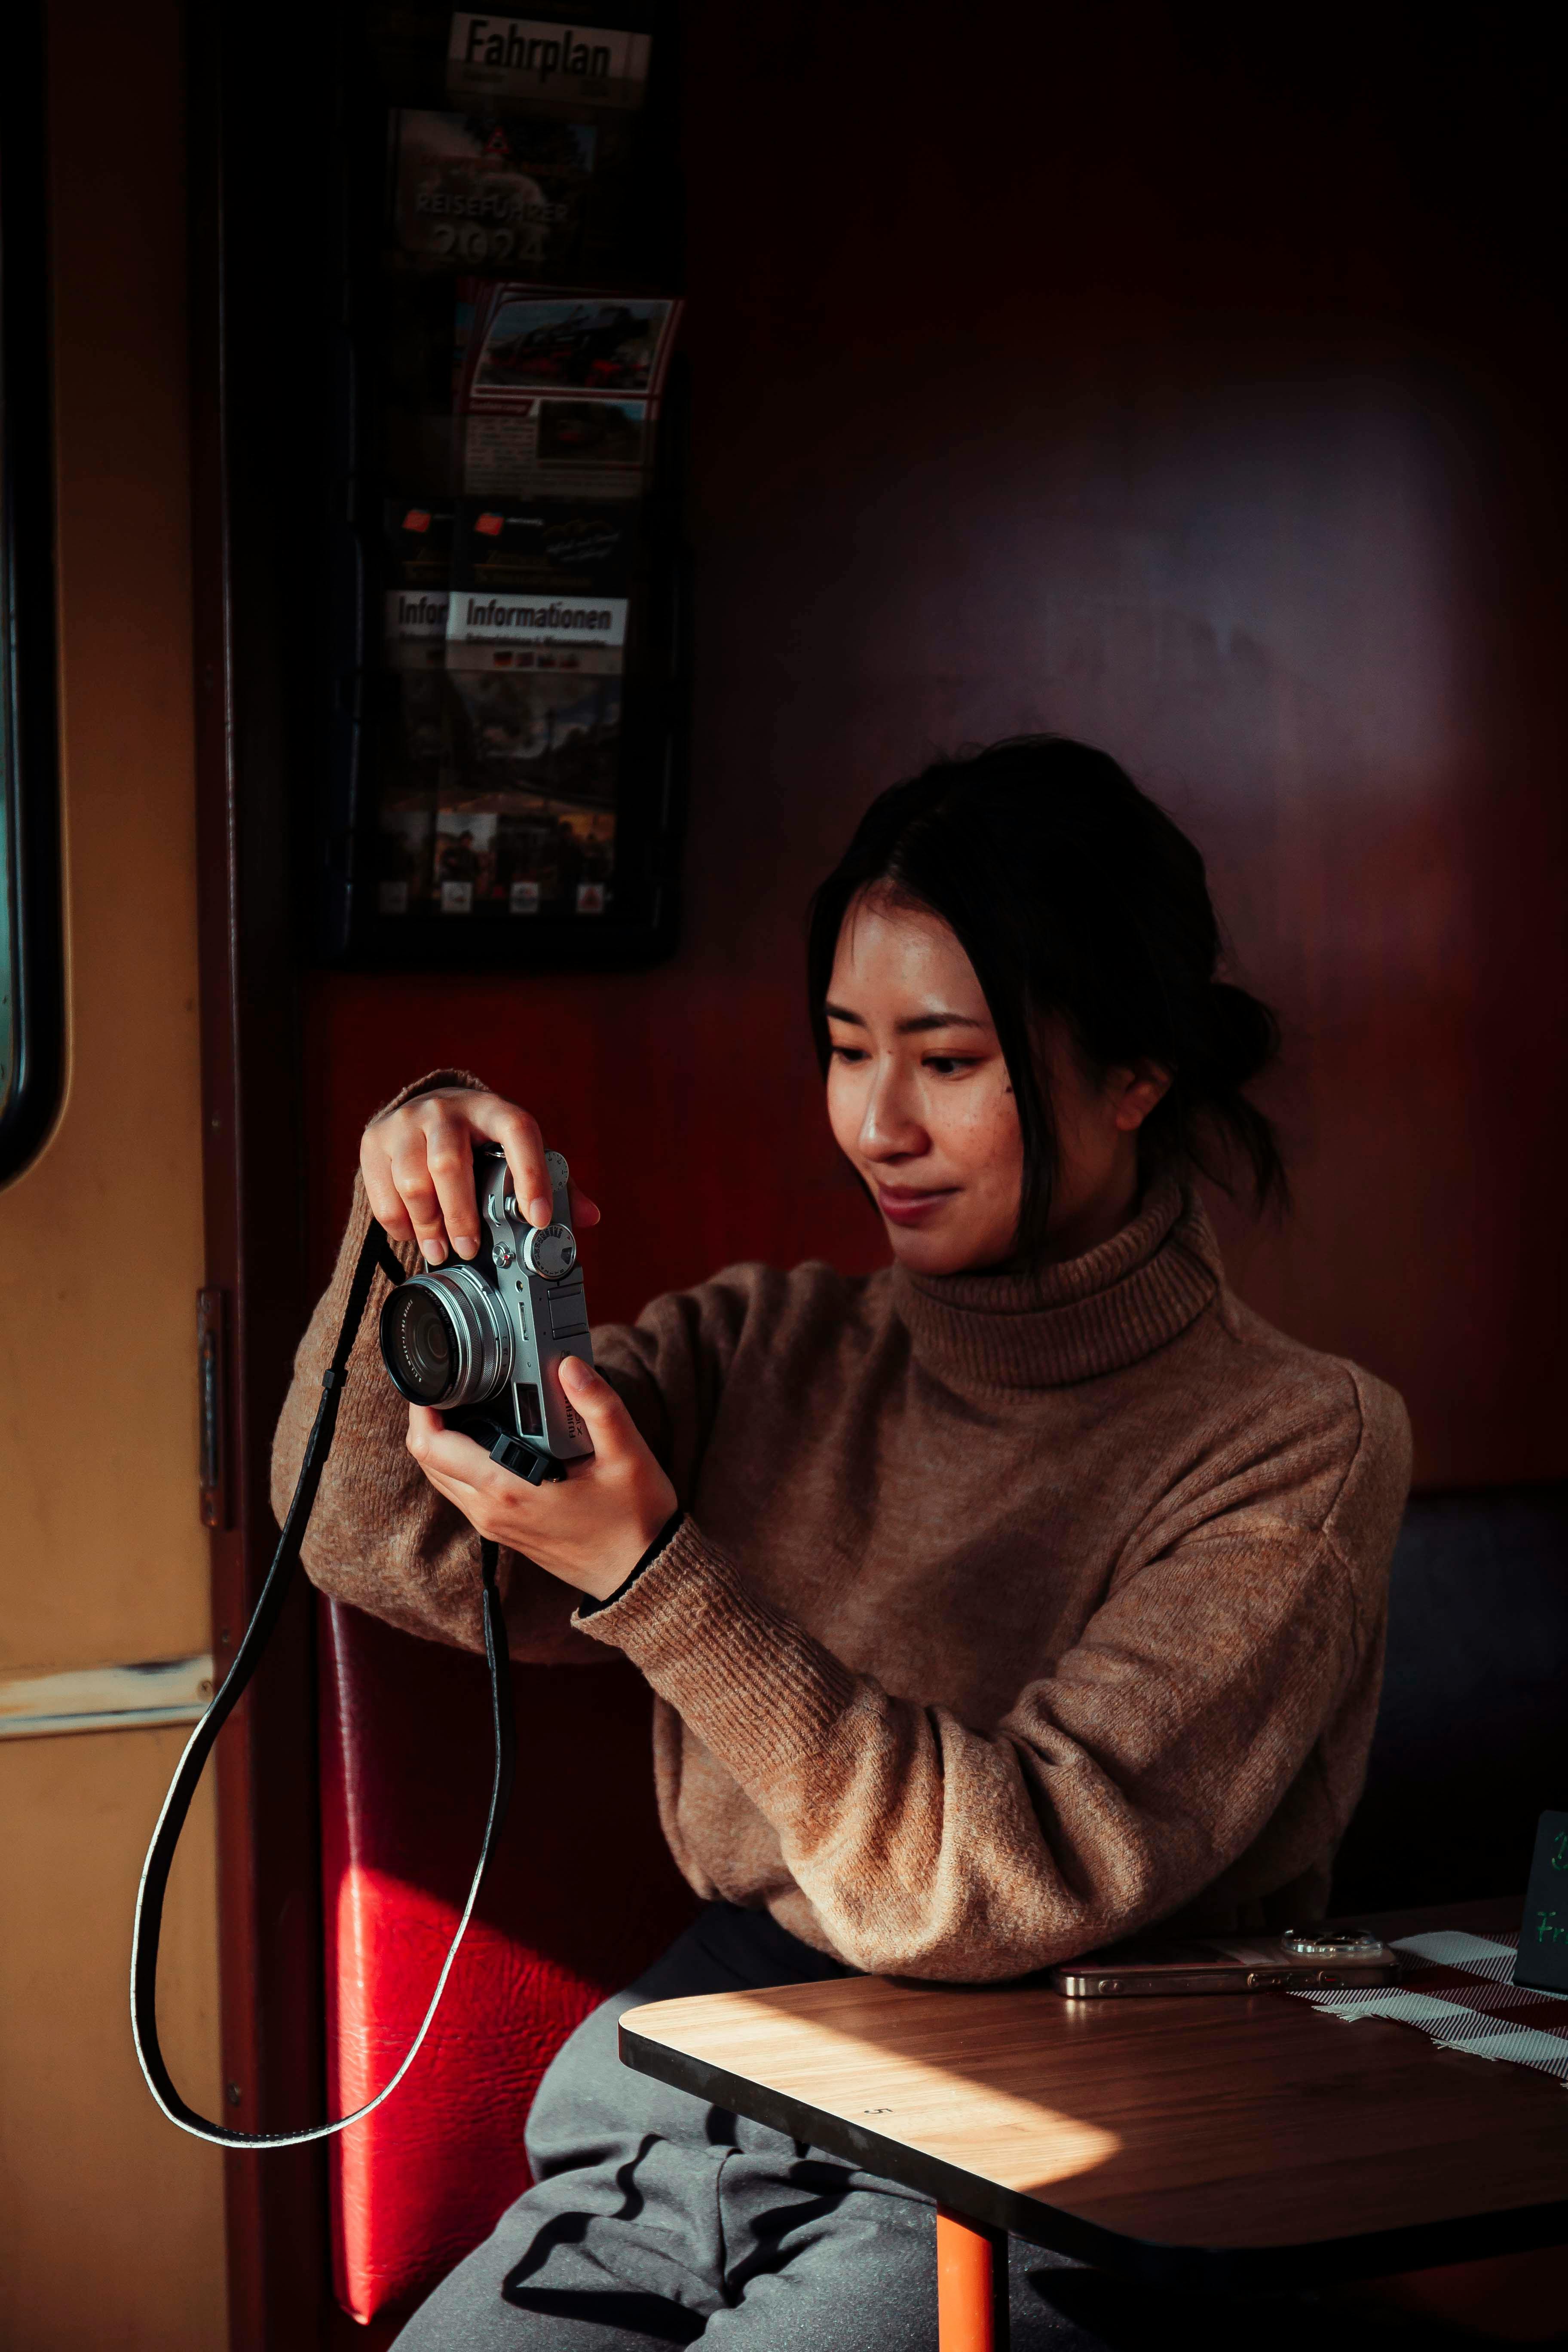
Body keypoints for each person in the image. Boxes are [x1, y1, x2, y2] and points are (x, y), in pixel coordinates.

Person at [273, 736, 1412, 2350]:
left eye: (948, 1061)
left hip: (1057, 2161)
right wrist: (416, 1231)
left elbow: (993, 1888)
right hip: (697, 2103)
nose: (877, 1123)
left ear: (1136, 1074)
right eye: (844, 1047)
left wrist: (656, 1578)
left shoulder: (1299, 1444)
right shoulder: (770, 1347)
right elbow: (367, 1538)